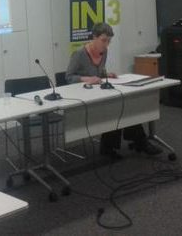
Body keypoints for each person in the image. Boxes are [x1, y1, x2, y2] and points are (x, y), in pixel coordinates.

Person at [66, 22, 162, 158]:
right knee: (115, 109)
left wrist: (106, 74)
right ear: (94, 37)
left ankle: (133, 142)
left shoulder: (104, 52)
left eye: (109, 41)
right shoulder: (79, 54)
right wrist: (87, 79)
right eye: (103, 40)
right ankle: (132, 143)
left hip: (98, 92)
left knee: (123, 105)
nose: (106, 45)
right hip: (83, 95)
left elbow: (98, 73)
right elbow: (69, 77)